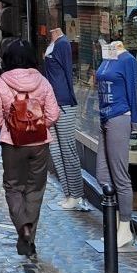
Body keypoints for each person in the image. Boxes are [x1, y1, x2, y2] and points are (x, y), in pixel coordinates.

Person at [0, 37, 59, 257]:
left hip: (13, 144)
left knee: (13, 187)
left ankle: (23, 227)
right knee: (35, 190)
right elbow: (54, 114)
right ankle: (28, 241)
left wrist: (14, 127)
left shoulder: (1, 82)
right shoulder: (43, 81)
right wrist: (37, 125)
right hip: (39, 143)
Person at [95, 39, 137, 247]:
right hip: (104, 116)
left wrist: (134, 121)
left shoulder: (128, 59)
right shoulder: (107, 57)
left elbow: (132, 89)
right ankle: (114, 225)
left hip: (120, 115)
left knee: (120, 176)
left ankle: (125, 226)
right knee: (102, 174)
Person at [42, 27, 88, 210]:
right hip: (51, 102)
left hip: (63, 103)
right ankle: (68, 192)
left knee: (68, 150)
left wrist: (70, 98)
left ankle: (76, 194)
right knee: (55, 150)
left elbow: (68, 72)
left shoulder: (63, 44)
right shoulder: (53, 44)